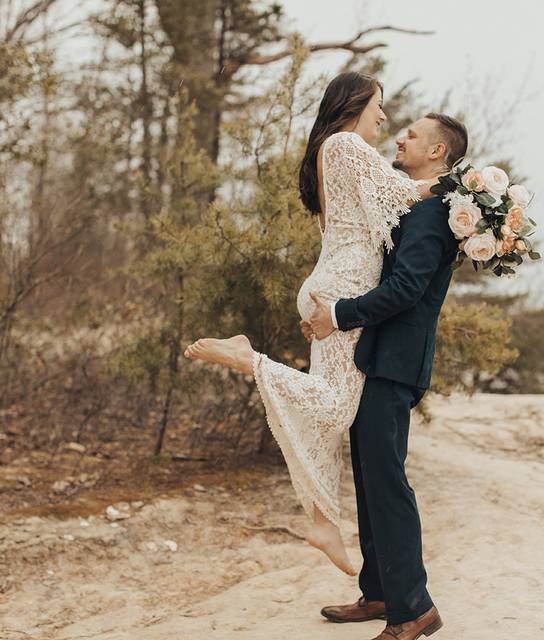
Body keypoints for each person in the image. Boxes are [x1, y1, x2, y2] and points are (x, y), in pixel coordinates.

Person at [183, 71, 435, 576]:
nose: (384, 118)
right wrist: (477, 190)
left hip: (330, 284)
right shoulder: (344, 144)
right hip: (342, 289)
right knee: (337, 405)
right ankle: (245, 356)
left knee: (328, 410)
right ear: (356, 102)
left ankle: (323, 521)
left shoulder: (328, 148)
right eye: (379, 105)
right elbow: (406, 193)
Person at [307, 112, 467, 640]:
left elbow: (405, 291)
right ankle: (378, 592)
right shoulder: (415, 204)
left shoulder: (433, 215)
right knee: (371, 476)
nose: (401, 136)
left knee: (388, 482)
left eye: (414, 135)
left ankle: (413, 609)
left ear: (438, 152)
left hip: (395, 362)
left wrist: (338, 314)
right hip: (376, 358)